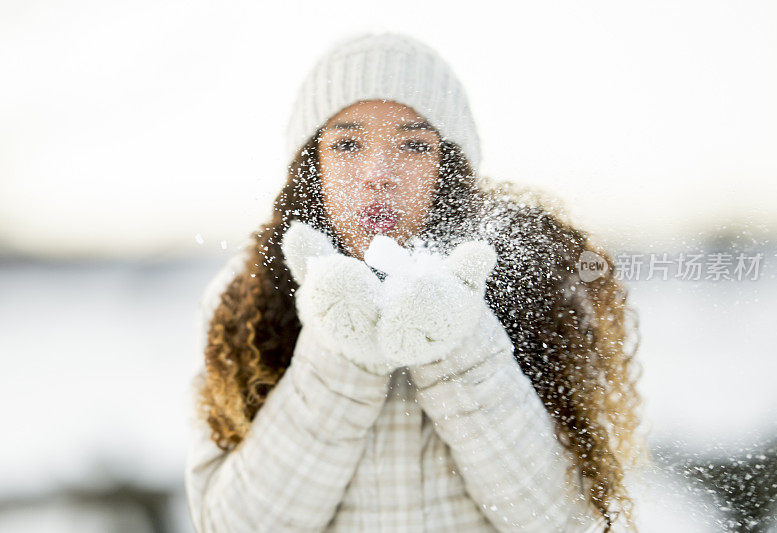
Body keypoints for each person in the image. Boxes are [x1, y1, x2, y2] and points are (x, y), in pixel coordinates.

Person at [184, 32, 645, 532]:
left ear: (448, 166)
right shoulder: (244, 297)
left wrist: (458, 341)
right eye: (346, 144)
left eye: (412, 144)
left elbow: (563, 524)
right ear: (310, 166)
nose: (379, 173)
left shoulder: (533, 280)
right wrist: (339, 351)